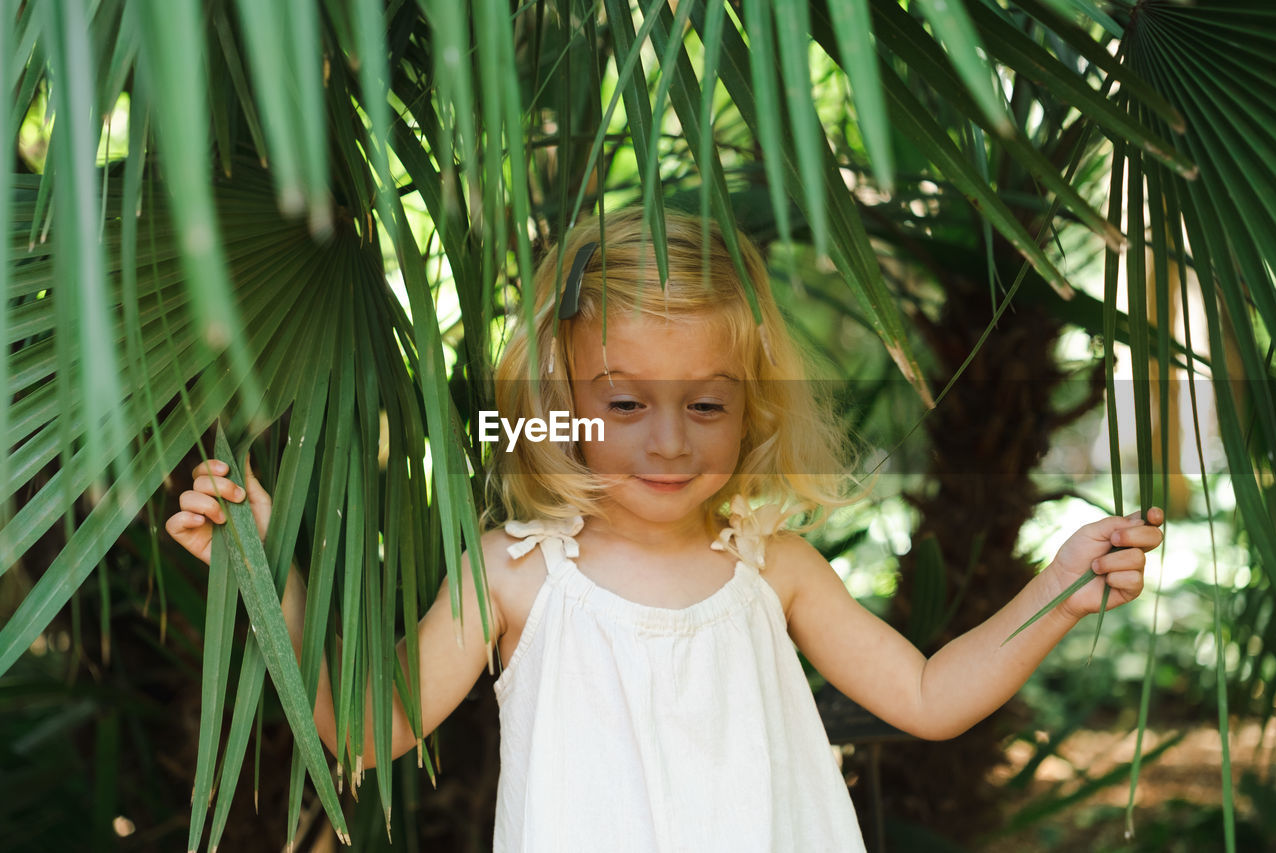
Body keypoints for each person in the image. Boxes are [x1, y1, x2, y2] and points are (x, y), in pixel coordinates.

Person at [167, 208, 1164, 852]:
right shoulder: (515, 571)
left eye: (706, 405)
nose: (668, 442)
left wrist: (1062, 582)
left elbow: (926, 694)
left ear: (753, 407)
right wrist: (265, 579)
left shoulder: (771, 566)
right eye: (624, 404)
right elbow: (364, 725)